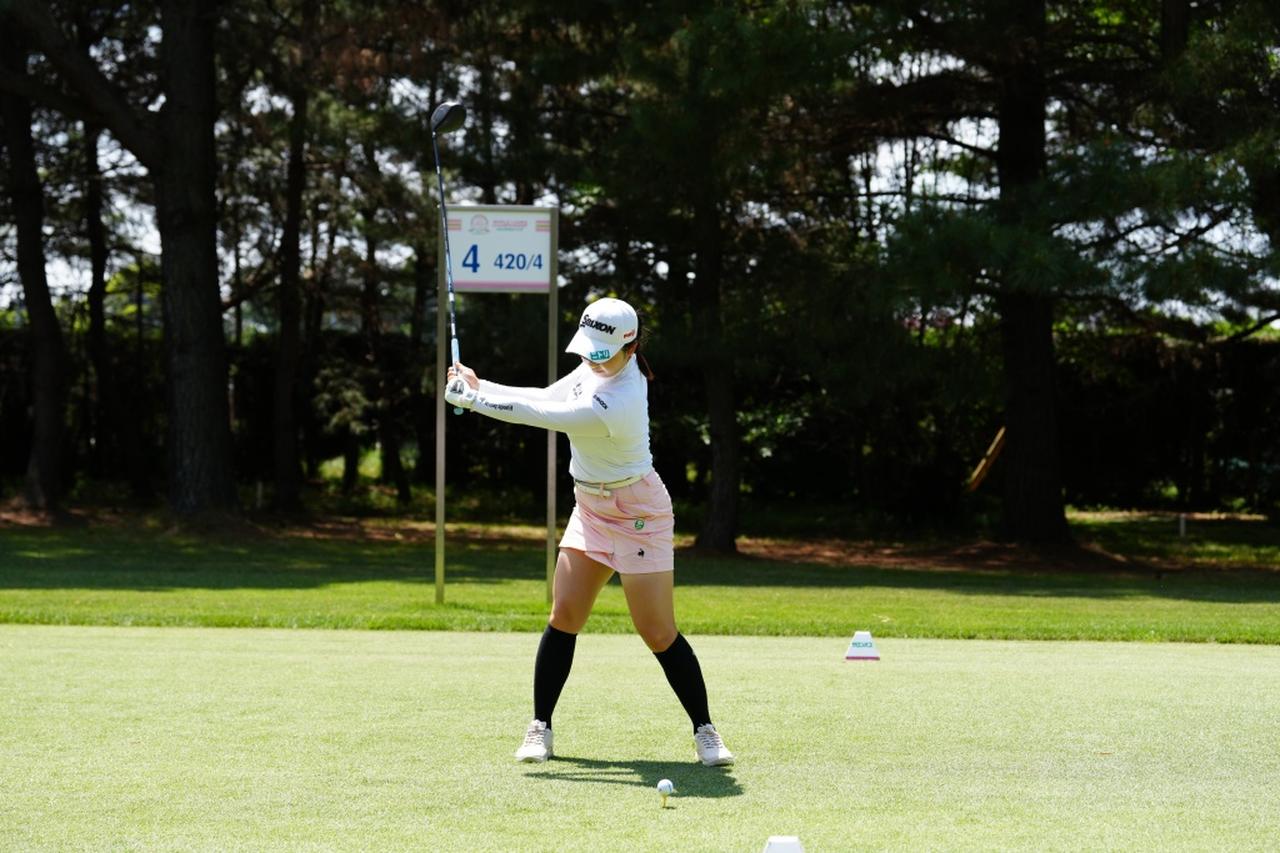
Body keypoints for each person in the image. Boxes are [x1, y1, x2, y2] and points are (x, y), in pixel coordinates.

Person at [444, 297, 734, 767]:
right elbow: (546, 396)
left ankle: (705, 730)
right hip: (591, 509)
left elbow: (545, 417)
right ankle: (540, 726)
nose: (592, 360)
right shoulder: (593, 369)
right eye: (589, 350)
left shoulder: (620, 399)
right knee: (564, 615)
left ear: (631, 348)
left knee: (658, 632)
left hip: (639, 514)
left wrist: (475, 401)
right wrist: (481, 385)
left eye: (602, 354)